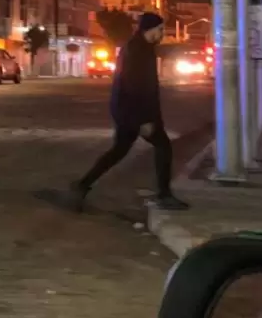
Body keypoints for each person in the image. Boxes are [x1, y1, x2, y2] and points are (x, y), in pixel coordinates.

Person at [71, 12, 187, 211]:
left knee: (119, 151)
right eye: (160, 30)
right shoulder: (136, 50)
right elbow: (135, 87)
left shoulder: (143, 48)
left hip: (129, 112)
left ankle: (82, 185)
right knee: (163, 147)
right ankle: (164, 194)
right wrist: (145, 120)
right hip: (133, 113)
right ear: (148, 29)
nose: (162, 34)